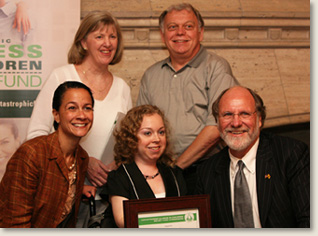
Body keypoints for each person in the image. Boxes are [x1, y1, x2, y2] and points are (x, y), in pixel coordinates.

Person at [26, 10, 132, 227]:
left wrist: (116, 164)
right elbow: (36, 136)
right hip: (62, 193)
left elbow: (127, 141)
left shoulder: (122, 87)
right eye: (99, 36)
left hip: (106, 195)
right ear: (83, 42)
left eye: (113, 37)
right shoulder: (61, 77)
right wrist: (84, 163)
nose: (107, 43)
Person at [136, 3, 238, 194]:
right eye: (172, 27)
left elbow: (217, 126)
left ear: (200, 33)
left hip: (207, 171)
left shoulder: (216, 68)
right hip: (159, 172)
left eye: (188, 26)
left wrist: (176, 168)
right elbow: (139, 129)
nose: (180, 33)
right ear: (163, 34)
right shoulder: (151, 75)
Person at [195, 86, 310, 228]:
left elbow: (309, 220)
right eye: (227, 115)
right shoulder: (206, 172)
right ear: (217, 122)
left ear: (259, 119)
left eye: (244, 114)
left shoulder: (291, 154)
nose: (236, 123)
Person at [0, 81, 95, 227]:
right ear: (56, 115)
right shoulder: (31, 153)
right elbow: (15, 223)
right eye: (72, 108)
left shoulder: (81, 158)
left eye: (87, 108)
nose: (82, 115)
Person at [100, 105, 187, 228]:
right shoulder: (120, 177)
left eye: (161, 132)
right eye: (148, 133)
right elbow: (123, 221)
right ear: (131, 138)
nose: (157, 138)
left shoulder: (175, 174)